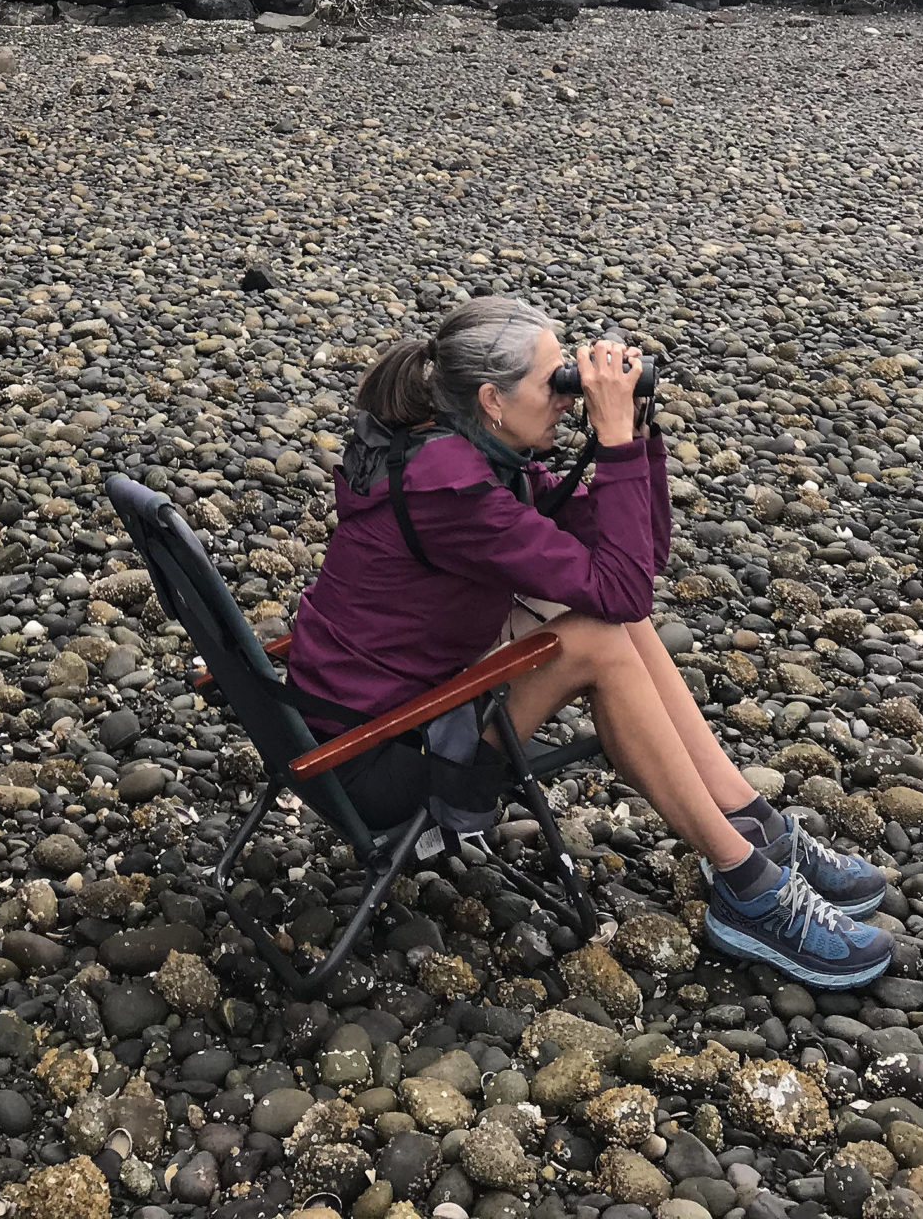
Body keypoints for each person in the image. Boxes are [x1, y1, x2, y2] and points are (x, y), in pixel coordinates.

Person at [288, 294, 892, 987]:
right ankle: (746, 885)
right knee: (599, 637)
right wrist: (613, 444)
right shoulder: (449, 488)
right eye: (555, 382)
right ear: (491, 399)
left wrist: (633, 431)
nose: (569, 397)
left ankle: (752, 820)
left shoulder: (469, 448)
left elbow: (637, 560)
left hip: (392, 707)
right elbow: (624, 587)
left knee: (610, 617)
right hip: (373, 759)